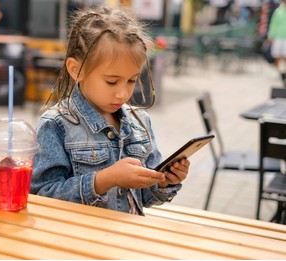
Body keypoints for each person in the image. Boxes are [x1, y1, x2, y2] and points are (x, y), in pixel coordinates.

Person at [30, 6, 190, 215]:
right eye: (112, 82)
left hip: (126, 240)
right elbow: (42, 196)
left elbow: (145, 198)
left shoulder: (139, 121)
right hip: (79, 240)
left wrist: (164, 182)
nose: (122, 93)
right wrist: (104, 180)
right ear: (76, 70)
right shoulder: (56, 124)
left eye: (132, 80)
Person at [267, 0, 286, 87]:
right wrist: (271, 35)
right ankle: (278, 72)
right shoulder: (278, 11)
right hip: (278, 36)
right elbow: (273, 24)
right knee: (277, 55)